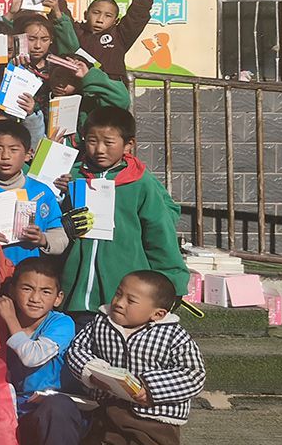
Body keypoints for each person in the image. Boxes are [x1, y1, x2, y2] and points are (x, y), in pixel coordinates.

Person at [68, 271, 205, 445]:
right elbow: (76, 349)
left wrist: (150, 388)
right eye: (118, 294)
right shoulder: (101, 323)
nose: (119, 303)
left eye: (130, 300)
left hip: (154, 417)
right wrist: (91, 371)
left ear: (158, 314)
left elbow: (194, 374)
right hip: (111, 405)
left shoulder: (174, 336)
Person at [61, 107, 187, 315]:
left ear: (129, 145)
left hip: (123, 294)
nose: (100, 149)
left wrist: (174, 280)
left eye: (109, 143)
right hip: (72, 289)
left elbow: (159, 232)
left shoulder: (140, 182)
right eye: (92, 141)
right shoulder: (70, 176)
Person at [0, 258, 83, 445]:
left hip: (47, 411)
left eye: (45, 291)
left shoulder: (61, 323)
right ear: (12, 290)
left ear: (58, 298)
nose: (35, 298)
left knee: (58, 408)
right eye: (27, 288)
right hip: (9, 409)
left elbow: (32, 357)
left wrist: (10, 320)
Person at [0, 120, 66, 298]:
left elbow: (60, 235)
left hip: (30, 282)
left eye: (14, 150)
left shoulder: (40, 192)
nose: (5, 156)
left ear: (28, 154)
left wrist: (42, 239)